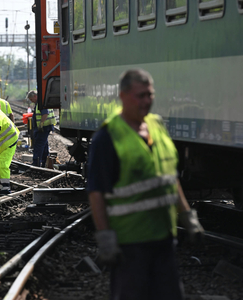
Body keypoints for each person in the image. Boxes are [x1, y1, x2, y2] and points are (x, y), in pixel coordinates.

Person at [87, 69, 204, 300]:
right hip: (130, 242)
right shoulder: (108, 137)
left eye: (150, 95)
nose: (147, 101)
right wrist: (105, 237)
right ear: (123, 96)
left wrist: (188, 217)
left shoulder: (157, 126)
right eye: (140, 96)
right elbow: (96, 192)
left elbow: (170, 179)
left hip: (164, 238)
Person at [27, 90, 56, 167]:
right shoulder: (42, 102)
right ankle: (44, 162)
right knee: (44, 145)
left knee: (38, 145)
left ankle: (36, 163)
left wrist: (41, 124)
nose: (31, 101)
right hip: (45, 127)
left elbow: (45, 113)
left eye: (31, 99)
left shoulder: (41, 103)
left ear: (35, 96)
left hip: (43, 128)